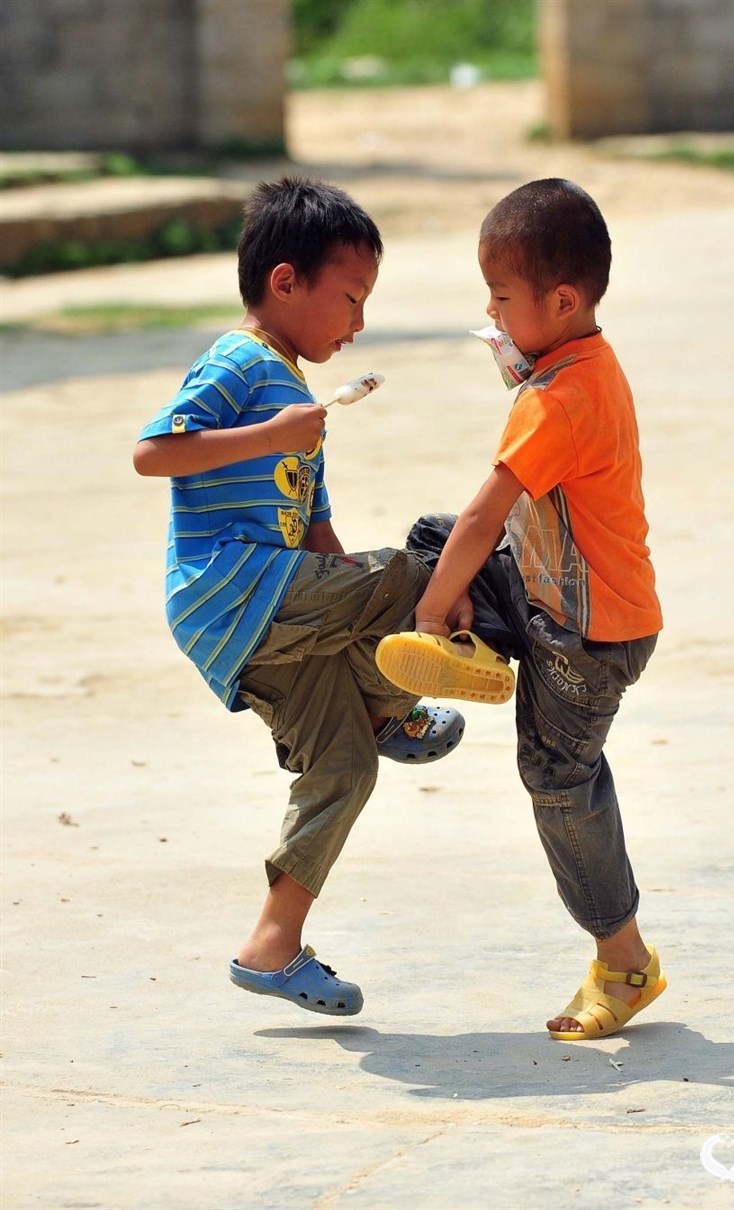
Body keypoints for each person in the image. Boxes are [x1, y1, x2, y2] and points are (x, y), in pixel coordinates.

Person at [133, 177, 465, 1018]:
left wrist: (341, 561)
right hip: (230, 589)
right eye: (350, 299)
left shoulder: (302, 403)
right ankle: (395, 711)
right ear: (286, 283)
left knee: (344, 768)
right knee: (410, 574)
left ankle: (271, 948)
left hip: (269, 613)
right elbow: (152, 453)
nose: (356, 324)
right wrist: (271, 435)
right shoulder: (239, 362)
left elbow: (316, 531)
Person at [376, 178, 666, 1041]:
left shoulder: (558, 400)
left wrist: (430, 614)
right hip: (546, 594)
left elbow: (485, 514)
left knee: (559, 781)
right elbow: (468, 532)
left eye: (503, 299)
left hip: (587, 636)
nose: (493, 316)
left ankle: (626, 964)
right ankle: (483, 651)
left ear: (563, 301)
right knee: (428, 538)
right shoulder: (580, 363)